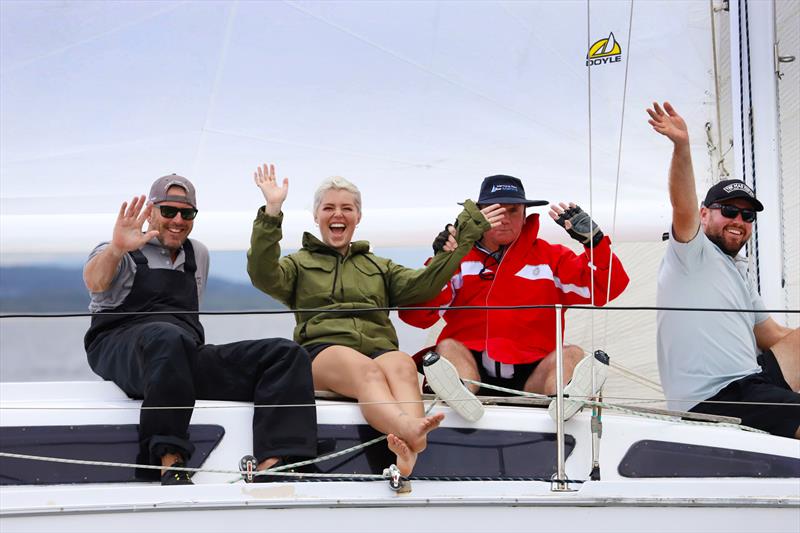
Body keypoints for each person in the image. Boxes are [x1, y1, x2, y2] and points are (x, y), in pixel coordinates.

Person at [247, 164, 502, 475]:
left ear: (358, 217)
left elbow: (424, 285)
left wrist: (461, 242)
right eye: (328, 208)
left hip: (378, 351)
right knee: (367, 371)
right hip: (323, 352)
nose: (337, 214)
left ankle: (407, 454)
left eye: (347, 208)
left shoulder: (380, 267)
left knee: (402, 365)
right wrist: (272, 211)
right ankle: (411, 432)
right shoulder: (298, 265)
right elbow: (262, 274)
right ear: (316, 217)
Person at [83, 174, 318, 485]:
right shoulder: (121, 247)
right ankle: (170, 462)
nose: (178, 220)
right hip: (120, 348)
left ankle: (275, 464)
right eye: (168, 211)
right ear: (151, 211)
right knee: (167, 338)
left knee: (285, 354)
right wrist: (116, 248)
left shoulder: (199, 255)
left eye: (187, 213)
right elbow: (94, 283)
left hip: (178, 355)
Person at [399, 174, 630, 421]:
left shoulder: (551, 258)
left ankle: (564, 400)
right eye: (496, 210)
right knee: (447, 347)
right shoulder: (458, 260)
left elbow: (606, 289)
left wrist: (595, 243)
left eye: (513, 210)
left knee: (571, 353)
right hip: (469, 369)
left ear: (524, 213)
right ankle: (460, 398)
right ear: (479, 213)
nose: (505, 219)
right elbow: (415, 316)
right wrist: (441, 261)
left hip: (535, 375)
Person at [647, 101, 799, 438]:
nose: (738, 221)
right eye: (728, 210)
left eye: (747, 216)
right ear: (704, 215)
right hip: (713, 399)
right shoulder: (691, 251)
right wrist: (682, 146)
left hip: (751, 383)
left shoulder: (738, 270)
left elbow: (775, 337)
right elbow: (682, 204)